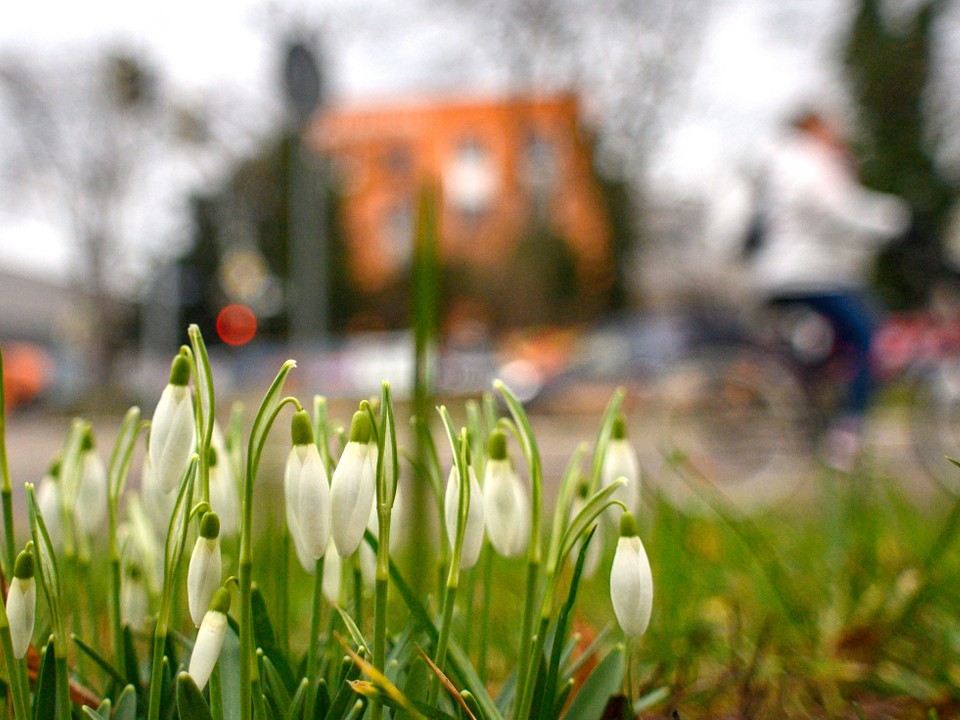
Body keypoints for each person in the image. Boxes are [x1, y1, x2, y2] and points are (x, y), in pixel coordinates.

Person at [746, 108, 911, 472]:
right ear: (812, 127)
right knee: (870, 338)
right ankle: (844, 435)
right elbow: (836, 207)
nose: (836, 132)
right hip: (806, 273)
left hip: (798, 272)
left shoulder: (786, 160)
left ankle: (811, 402)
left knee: (833, 346)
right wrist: (896, 218)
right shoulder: (804, 158)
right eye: (829, 126)